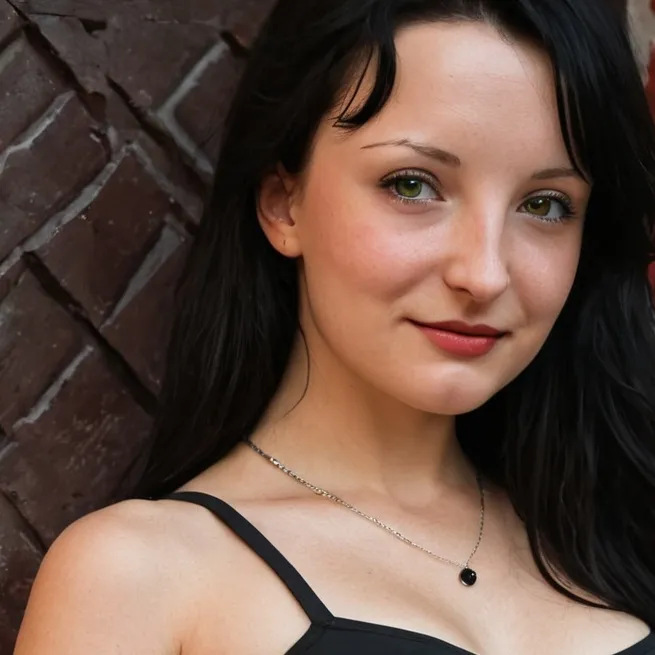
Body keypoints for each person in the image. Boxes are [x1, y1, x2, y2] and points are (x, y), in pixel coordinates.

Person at [14, 0, 655, 653]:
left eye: (545, 204)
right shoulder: (139, 576)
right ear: (283, 203)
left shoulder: (616, 530)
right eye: (412, 185)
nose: (485, 273)